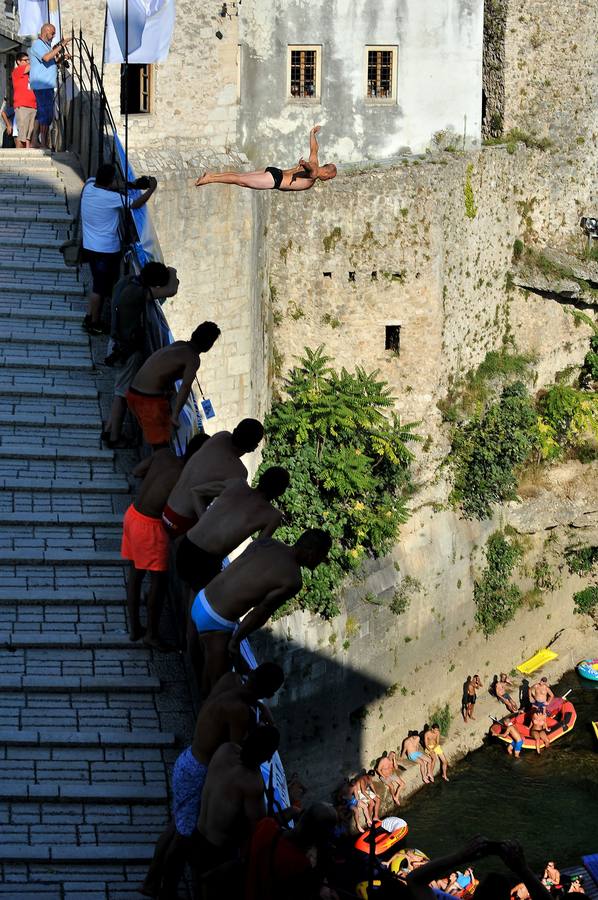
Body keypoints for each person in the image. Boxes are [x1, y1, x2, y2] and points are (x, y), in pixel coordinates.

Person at [141, 665, 283, 899]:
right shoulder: (240, 713)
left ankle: (153, 881)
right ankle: (163, 889)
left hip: (188, 759)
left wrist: (257, 708)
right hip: (198, 772)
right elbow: (242, 751)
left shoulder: (230, 678)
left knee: (177, 825)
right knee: (182, 838)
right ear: (269, 692)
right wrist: (262, 728)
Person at [192, 528, 332, 691]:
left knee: (203, 667)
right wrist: (236, 640)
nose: (320, 562)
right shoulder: (293, 579)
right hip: (217, 619)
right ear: (312, 553)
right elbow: (260, 612)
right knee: (218, 688)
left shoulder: (267, 542)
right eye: (322, 557)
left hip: (201, 599)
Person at [121, 433, 208, 648]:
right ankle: (151, 633)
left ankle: (134, 629)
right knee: (158, 582)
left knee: (135, 575)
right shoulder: (183, 478)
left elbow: (137, 470)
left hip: (133, 514)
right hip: (150, 527)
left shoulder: (164, 454)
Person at [193, 725, 280, 896]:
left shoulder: (225, 749)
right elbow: (259, 827)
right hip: (216, 852)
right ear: (267, 755)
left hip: (196, 836)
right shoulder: (252, 782)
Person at [176, 467, 290, 592]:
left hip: (185, 547)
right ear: (280, 492)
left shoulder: (237, 484)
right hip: (207, 562)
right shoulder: (272, 515)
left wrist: (204, 518)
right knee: (202, 601)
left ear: (262, 478)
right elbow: (255, 550)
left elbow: (196, 492)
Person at [103, 263, 179, 447]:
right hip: (127, 351)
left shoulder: (126, 281)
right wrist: (172, 270)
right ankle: (114, 438)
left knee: (119, 389)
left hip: (115, 344)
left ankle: (109, 429)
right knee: (122, 395)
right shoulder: (139, 294)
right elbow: (171, 290)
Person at [81, 163, 157, 335]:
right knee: (99, 288)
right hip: (105, 250)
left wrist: (134, 184)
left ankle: (89, 316)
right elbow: (135, 204)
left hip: (89, 246)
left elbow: (112, 185)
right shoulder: (111, 198)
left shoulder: (89, 185)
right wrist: (150, 190)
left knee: (97, 283)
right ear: (109, 182)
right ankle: (93, 323)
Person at [126, 321, 220, 449]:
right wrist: (175, 415)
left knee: (152, 439)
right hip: (148, 402)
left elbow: (164, 373)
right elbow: (185, 387)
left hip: (133, 392)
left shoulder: (179, 344)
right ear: (209, 345)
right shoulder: (192, 358)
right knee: (161, 449)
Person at [162, 420, 264, 538]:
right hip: (182, 521)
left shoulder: (221, 436)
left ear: (235, 431)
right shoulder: (239, 473)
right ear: (253, 448)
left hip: (167, 506)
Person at [195, 125, 337, 192]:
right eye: (330, 177)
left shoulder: (315, 161)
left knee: (240, 177)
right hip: (275, 180)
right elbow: (311, 171)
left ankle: (211, 176)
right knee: (241, 180)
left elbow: (314, 148)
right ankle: (210, 179)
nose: (328, 180)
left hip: (275, 171)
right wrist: (304, 164)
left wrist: (312, 133)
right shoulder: (314, 174)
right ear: (326, 173)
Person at [244, 802, 338, 900]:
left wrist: (292, 811)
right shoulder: (300, 864)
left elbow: (275, 819)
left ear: (301, 816)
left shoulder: (266, 827)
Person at [28, 23, 71, 148]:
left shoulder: (46, 46)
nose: (54, 36)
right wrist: (61, 46)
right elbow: (47, 58)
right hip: (42, 85)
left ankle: (35, 141)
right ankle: (44, 144)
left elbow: (50, 61)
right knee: (46, 114)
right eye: (52, 33)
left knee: (41, 114)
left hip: (46, 85)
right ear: (45, 31)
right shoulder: (37, 44)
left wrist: (61, 58)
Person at [11, 52, 36, 150]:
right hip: (22, 106)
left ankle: (26, 156)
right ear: (18, 62)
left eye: (28, 60)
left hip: (33, 106)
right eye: (25, 60)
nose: (28, 62)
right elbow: (31, 66)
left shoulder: (30, 73)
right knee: (22, 136)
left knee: (29, 136)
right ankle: (19, 158)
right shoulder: (17, 70)